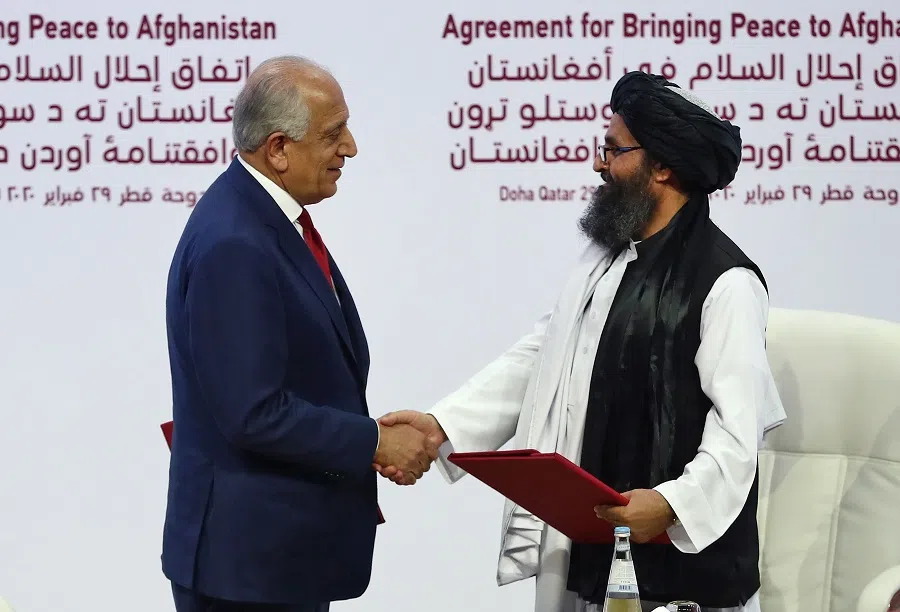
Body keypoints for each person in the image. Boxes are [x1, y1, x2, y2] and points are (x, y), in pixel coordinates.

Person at [377, 71, 786, 611]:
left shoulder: (727, 283)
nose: (599, 164)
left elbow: (737, 439)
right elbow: (544, 358)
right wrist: (443, 425)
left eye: (614, 151)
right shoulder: (607, 260)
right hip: (595, 548)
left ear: (661, 166)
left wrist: (669, 504)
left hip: (683, 576)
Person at [161, 55, 438, 612]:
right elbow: (252, 412)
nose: (352, 148)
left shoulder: (263, 218)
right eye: (333, 134)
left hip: (276, 557)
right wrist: (374, 441)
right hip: (245, 571)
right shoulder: (236, 243)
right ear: (279, 148)